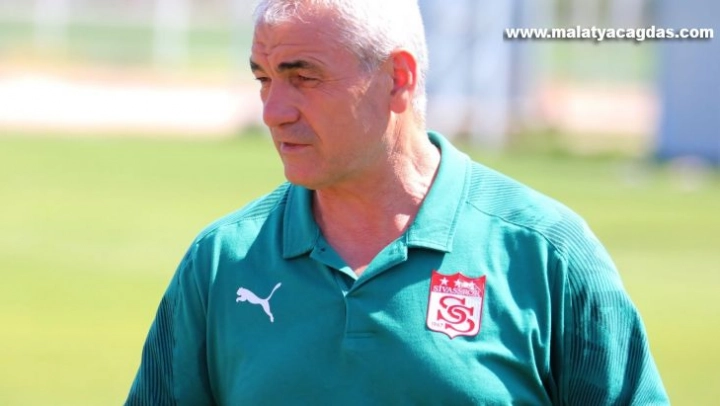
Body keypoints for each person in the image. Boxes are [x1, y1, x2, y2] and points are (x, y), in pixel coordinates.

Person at [126, 0, 669, 404]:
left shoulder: (545, 252)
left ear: (398, 79)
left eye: (303, 77)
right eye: (264, 79)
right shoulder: (222, 260)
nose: (273, 111)